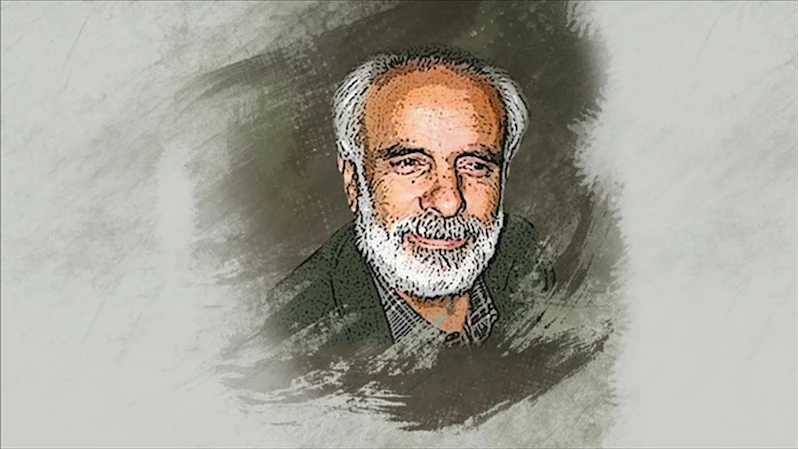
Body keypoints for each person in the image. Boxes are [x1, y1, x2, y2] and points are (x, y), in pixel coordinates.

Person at [255, 45, 556, 359]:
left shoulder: (529, 259)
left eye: (475, 165)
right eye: (409, 163)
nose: (448, 202)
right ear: (354, 181)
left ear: (502, 176)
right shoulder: (290, 337)